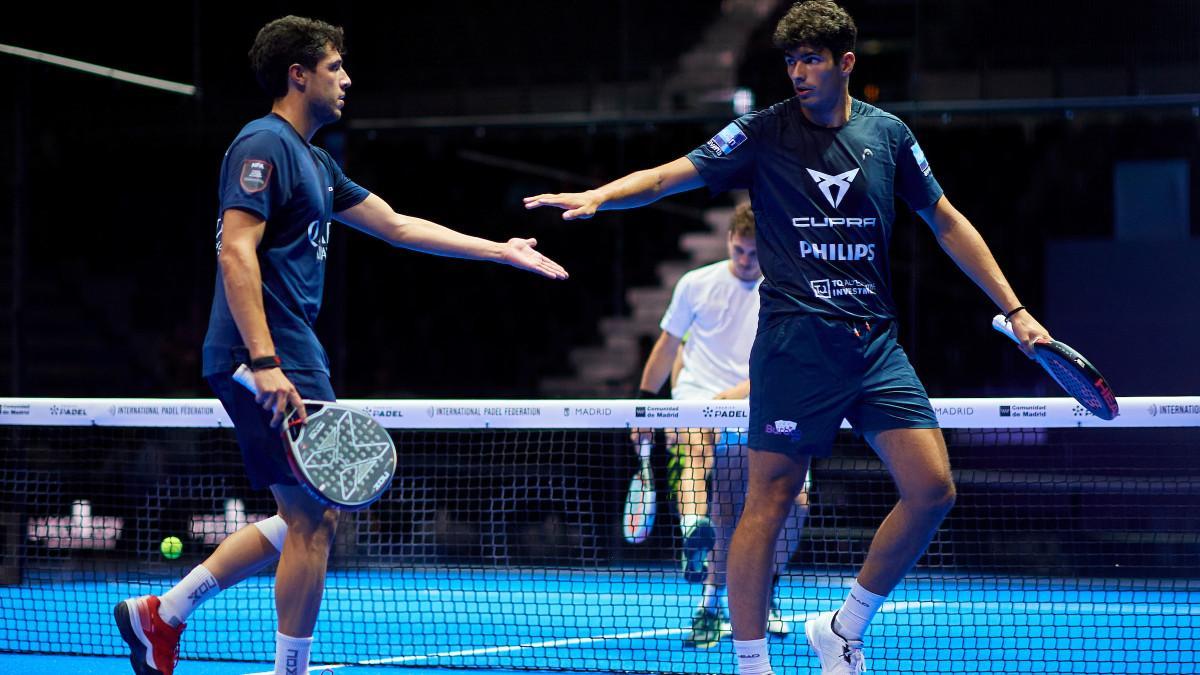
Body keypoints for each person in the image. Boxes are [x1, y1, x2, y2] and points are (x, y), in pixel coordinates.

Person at [524, 1, 1051, 672]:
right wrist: (601, 195)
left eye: (812, 60)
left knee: (933, 488)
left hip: (875, 344)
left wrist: (1015, 308)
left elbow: (945, 220)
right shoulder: (762, 133)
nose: (798, 73)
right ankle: (752, 664)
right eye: (791, 61)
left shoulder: (887, 136)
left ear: (846, 63)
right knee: (767, 500)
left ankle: (842, 626)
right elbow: (668, 174)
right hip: (794, 343)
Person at [114, 15, 566, 675]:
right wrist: (264, 361)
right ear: (298, 74)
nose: (347, 78)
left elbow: (398, 225)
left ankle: (164, 614)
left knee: (308, 513)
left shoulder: (319, 164)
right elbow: (235, 250)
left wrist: (501, 250)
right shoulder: (260, 142)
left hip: (291, 349)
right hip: (267, 352)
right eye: (334, 67)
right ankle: (278, 666)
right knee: (313, 522)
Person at [632, 203, 808, 648]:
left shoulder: (785, 293)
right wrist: (644, 407)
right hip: (698, 399)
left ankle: (765, 586)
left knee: (797, 503)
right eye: (739, 250)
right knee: (709, 479)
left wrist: (736, 395)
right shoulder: (696, 284)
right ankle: (696, 538)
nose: (746, 260)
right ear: (729, 240)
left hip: (759, 403)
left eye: (753, 253)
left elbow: (782, 363)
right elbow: (668, 345)